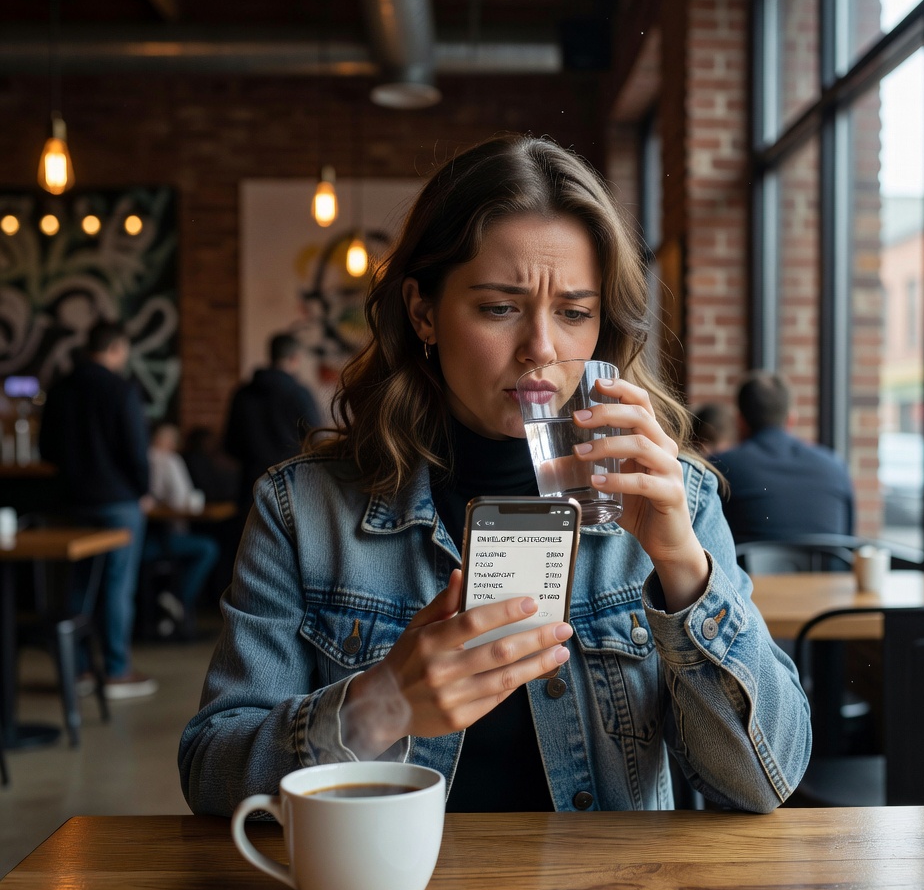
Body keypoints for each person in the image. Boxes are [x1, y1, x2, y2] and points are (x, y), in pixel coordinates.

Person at [179, 134, 810, 817]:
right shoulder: (304, 509)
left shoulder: (673, 495)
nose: (540, 348)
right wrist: (377, 704)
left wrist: (683, 564)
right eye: (499, 307)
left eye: (573, 312)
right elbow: (213, 776)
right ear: (422, 311)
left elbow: (761, 784)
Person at [38, 320, 157, 698]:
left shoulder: (60, 390)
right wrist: (142, 489)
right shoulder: (121, 389)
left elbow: (46, 450)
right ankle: (118, 672)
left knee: (77, 586)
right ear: (117, 347)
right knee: (117, 587)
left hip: (71, 502)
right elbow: (135, 450)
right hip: (119, 501)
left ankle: (79, 673)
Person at [709, 371, 855, 544]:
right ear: (791, 419)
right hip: (828, 570)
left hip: (752, 571)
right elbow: (848, 541)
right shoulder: (835, 467)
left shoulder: (719, 468)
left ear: (739, 421)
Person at [223, 332, 321, 515]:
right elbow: (318, 442)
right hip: (294, 489)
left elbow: (230, 446)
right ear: (295, 358)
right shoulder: (299, 394)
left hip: (251, 489)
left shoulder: (242, 395)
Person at [143, 422, 220, 639]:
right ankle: (177, 598)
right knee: (208, 548)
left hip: (138, 542)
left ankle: (170, 609)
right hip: (164, 539)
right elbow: (181, 501)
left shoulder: (138, 458)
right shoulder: (169, 460)